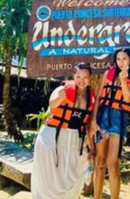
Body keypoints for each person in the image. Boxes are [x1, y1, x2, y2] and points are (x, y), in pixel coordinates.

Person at [31, 62, 96, 199]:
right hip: (52, 135)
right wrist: (64, 96)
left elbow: (89, 125)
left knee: (72, 173)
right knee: (49, 174)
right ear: (73, 76)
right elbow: (52, 105)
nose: (81, 80)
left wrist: (91, 148)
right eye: (78, 76)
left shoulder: (91, 97)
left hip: (74, 139)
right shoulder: (63, 89)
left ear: (90, 78)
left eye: (85, 77)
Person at [89, 48, 130, 199]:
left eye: (125, 59)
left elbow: (127, 98)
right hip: (102, 116)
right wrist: (93, 120)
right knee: (99, 162)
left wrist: (123, 80)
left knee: (113, 165)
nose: (121, 62)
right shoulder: (107, 74)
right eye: (118, 59)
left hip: (119, 118)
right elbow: (98, 97)